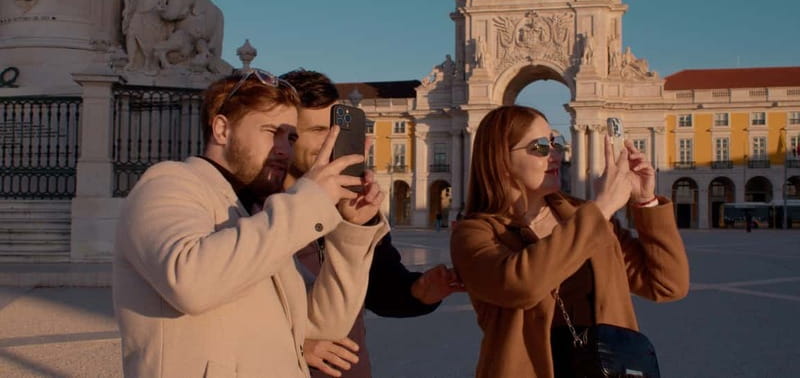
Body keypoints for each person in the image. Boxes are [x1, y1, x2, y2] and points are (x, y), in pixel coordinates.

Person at [113, 69, 389, 377]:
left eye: (291, 137)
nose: (285, 149)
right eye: (272, 132)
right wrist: (309, 200)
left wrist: (350, 234)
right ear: (221, 129)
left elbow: (325, 323)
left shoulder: (256, 214)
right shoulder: (168, 182)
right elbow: (190, 282)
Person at [450, 105, 689, 378]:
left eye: (555, 142)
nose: (555, 154)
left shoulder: (585, 217)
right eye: (540, 147)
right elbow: (520, 286)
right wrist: (602, 208)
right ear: (501, 159)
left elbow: (667, 285)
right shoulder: (474, 233)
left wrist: (646, 202)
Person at [281, 69, 464, 378]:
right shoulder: (254, 210)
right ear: (286, 135)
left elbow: (381, 288)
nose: (332, 140)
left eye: (336, 129)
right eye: (318, 130)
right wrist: (295, 343)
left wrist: (420, 291)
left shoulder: (348, 207)